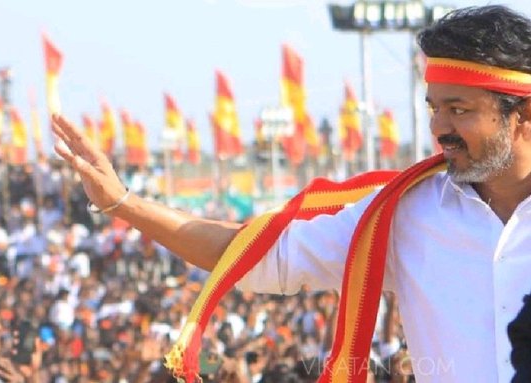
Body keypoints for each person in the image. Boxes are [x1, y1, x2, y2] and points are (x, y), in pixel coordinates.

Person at [51, 5, 531, 382]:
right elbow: (250, 254)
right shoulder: (403, 214)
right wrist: (124, 204)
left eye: (459, 109)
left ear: (522, 115)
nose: (439, 127)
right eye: (433, 108)